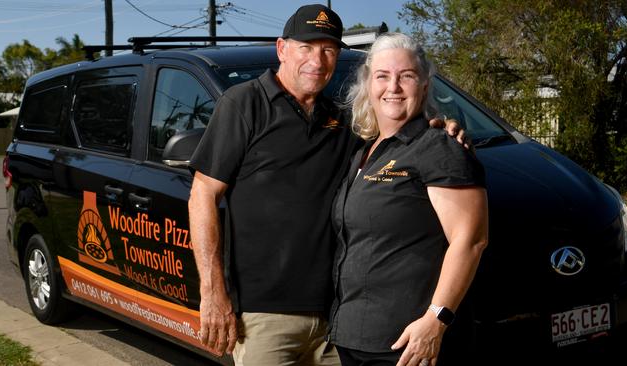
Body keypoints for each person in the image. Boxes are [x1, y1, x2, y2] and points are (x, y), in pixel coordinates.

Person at [187, 5, 468, 365]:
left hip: (338, 317)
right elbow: (202, 196)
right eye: (306, 47)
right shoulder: (243, 104)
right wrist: (212, 292)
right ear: (282, 49)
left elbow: (396, 136)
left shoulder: (343, 120)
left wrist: (442, 128)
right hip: (265, 317)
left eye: (329, 50)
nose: (317, 61)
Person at [328, 33, 489, 366]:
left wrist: (436, 320)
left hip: (410, 345)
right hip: (357, 339)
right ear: (368, 86)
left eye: (407, 77)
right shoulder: (365, 151)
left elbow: (471, 241)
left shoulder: (439, 147)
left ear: (425, 86)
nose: (394, 87)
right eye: (383, 77)